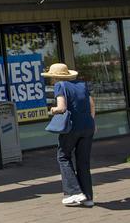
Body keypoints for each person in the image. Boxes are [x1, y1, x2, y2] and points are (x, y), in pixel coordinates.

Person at [42, 63, 95, 207]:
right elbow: (91, 104)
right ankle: (88, 198)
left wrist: (52, 110)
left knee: (63, 156)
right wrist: (91, 121)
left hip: (72, 127)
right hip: (88, 126)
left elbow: (62, 107)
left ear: (55, 77)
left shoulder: (60, 86)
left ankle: (74, 192)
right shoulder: (82, 85)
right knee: (83, 162)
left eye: (51, 77)